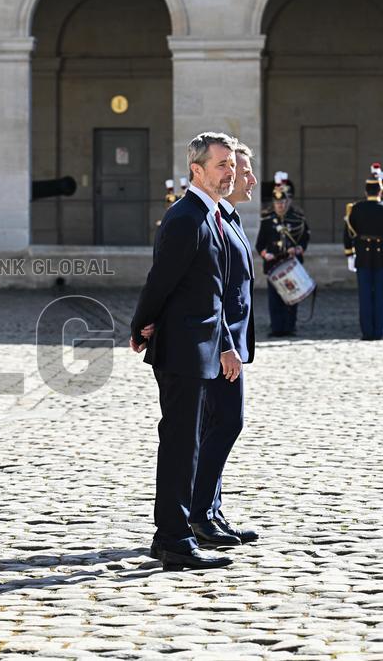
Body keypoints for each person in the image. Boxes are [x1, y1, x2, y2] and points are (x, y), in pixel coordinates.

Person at [130, 131, 240, 571]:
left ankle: (173, 535)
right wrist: (141, 325)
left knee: (188, 443)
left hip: (202, 346)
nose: (229, 172)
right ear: (196, 169)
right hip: (183, 349)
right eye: (221, 165)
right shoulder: (186, 217)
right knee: (180, 445)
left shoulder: (209, 214)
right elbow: (161, 280)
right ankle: (173, 537)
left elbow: (205, 290)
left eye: (232, 164)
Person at [187, 144, 258, 547]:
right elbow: (213, 292)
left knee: (217, 425)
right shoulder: (212, 221)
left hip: (227, 341)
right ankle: (199, 515)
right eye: (236, 169)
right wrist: (228, 342)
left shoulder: (228, 219)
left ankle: (210, 511)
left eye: (241, 169)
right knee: (225, 423)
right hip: (217, 343)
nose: (245, 179)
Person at [343, 165, 383, 341]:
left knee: (365, 296)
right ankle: (378, 332)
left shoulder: (355, 209)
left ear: (366, 190)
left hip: (362, 254)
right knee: (380, 294)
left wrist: (349, 254)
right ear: (381, 190)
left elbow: (348, 232)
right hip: (381, 255)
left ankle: (367, 332)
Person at [255, 181, 310, 337]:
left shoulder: (297, 219)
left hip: (291, 264)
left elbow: (305, 238)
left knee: (292, 296)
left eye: (283, 202)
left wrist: (299, 248)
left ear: (288, 201)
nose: (280, 205)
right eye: (277, 203)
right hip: (274, 265)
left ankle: (290, 326)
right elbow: (260, 244)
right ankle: (277, 328)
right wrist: (266, 254)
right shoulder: (267, 221)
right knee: (275, 299)